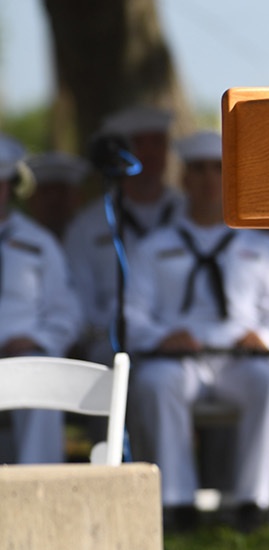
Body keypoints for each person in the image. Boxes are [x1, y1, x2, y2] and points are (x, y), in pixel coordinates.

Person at [125, 129, 269, 532]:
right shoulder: (155, 247)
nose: (209, 179)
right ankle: (177, 501)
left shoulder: (260, 247)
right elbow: (132, 315)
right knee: (154, 384)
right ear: (183, 179)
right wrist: (161, 338)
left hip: (238, 359)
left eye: (218, 169)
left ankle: (252, 500)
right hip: (179, 359)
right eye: (199, 169)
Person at [64, 105, 184, 362]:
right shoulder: (88, 224)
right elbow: (79, 297)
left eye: (158, 143)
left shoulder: (188, 213)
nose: (150, 152)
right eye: (140, 143)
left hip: (182, 340)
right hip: (111, 342)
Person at [0, 135, 83, 462]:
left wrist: (37, 340)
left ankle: (39, 494)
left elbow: (66, 313)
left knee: (43, 380)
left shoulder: (39, 243)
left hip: (25, 354)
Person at [24, 151, 91, 240]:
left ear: (79, 197)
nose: (53, 200)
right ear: (31, 200)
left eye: (62, 193)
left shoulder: (96, 234)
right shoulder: (16, 239)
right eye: (45, 193)